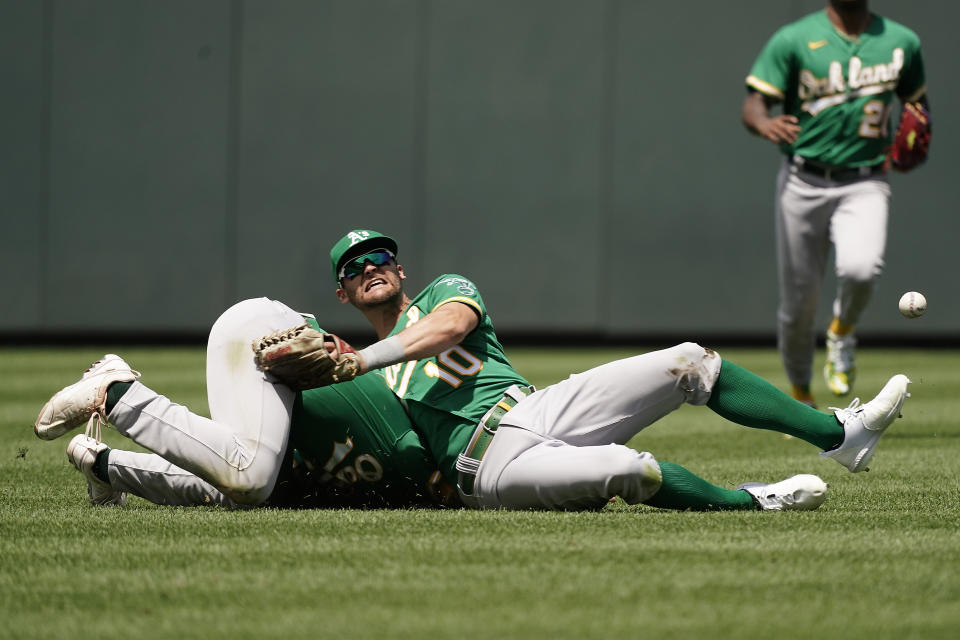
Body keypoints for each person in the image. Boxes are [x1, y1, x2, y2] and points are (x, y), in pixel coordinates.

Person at [321, 228, 911, 512]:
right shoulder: (357, 380)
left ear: (400, 269)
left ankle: (841, 433)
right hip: (492, 466)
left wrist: (359, 357)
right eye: (354, 267)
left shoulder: (443, 294)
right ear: (343, 294)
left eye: (380, 257)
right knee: (630, 469)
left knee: (690, 361)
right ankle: (753, 502)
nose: (370, 266)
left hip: (535, 406)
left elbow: (447, 329)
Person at [33, 298, 456, 509]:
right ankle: (117, 393)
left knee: (240, 488)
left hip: (285, 392)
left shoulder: (393, 486)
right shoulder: (411, 449)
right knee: (248, 474)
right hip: (265, 332)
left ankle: (103, 464)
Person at [741, 0, 929, 406]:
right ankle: (800, 394)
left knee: (861, 269)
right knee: (798, 305)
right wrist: (763, 122)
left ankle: (841, 332)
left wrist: (916, 131)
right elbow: (753, 103)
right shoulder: (793, 38)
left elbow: (917, 105)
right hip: (802, 179)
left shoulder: (901, 42)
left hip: (866, 180)